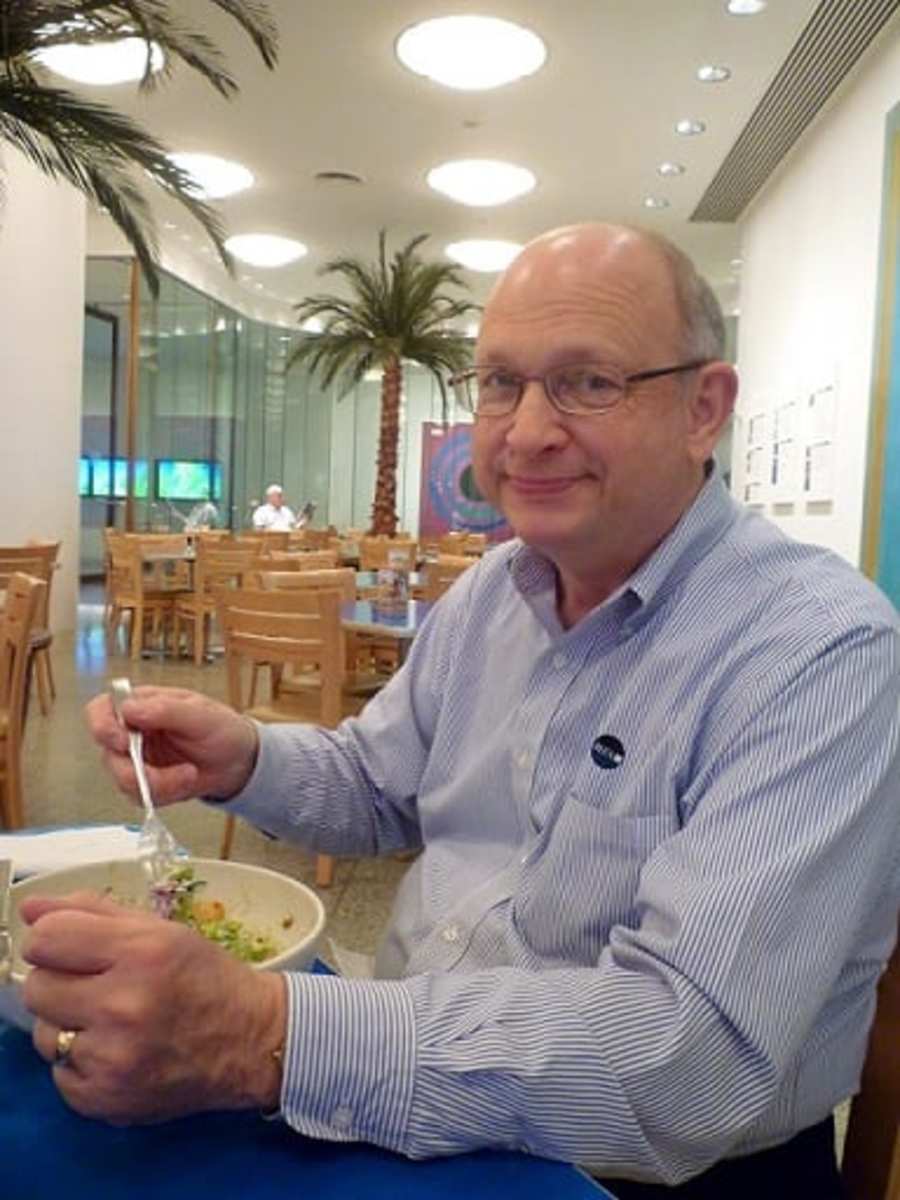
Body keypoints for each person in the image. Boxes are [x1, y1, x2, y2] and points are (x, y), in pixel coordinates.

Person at [21, 224, 899, 1196]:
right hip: (406, 1098)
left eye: (588, 382)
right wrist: (246, 759)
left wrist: (265, 1031)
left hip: (654, 1173)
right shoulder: (491, 595)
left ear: (705, 407)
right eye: (499, 383)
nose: (525, 432)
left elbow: (691, 1059)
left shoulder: (820, 653)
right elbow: (378, 784)